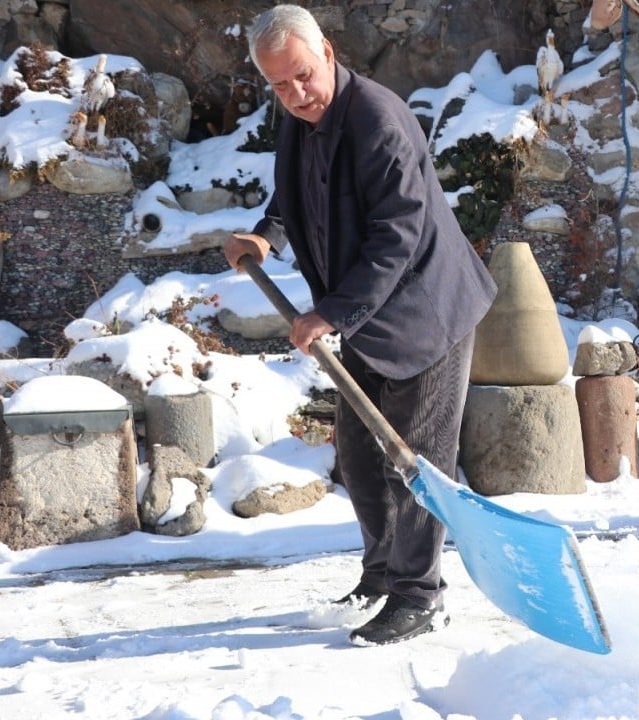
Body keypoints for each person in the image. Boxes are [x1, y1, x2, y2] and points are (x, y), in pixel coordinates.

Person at [222, 5, 497, 645]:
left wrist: (330, 313)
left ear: (327, 50)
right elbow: (296, 194)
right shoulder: (301, 119)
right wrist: (266, 236)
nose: (296, 94)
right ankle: (382, 573)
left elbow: (397, 234)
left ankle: (419, 595)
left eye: (303, 75)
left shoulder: (378, 119)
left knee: (417, 459)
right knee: (360, 453)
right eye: (280, 85)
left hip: (427, 310)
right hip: (367, 312)